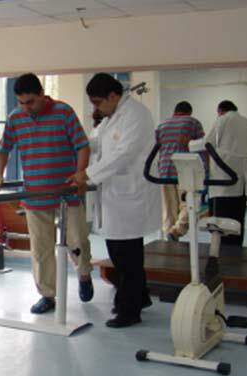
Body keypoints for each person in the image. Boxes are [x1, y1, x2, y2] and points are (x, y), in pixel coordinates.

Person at [0, 73, 93, 315]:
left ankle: (83, 273)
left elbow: (82, 146)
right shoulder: (15, 118)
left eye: (30, 102)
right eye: (21, 103)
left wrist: (80, 173)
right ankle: (47, 295)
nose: (26, 107)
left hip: (67, 191)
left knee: (78, 241)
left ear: (41, 94)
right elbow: (3, 149)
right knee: (41, 249)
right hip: (35, 193)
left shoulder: (63, 112)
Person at [69, 73, 160, 328]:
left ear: (113, 95)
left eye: (98, 102)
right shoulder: (112, 117)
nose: (96, 108)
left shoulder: (136, 115)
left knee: (126, 257)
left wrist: (87, 174)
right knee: (122, 254)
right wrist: (75, 144)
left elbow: (124, 153)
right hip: (115, 196)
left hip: (130, 196)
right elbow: (97, 143)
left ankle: (129, 311)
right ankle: (140, 297)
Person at [190, 100, 247, 246]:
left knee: (220, 222)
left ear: (220, 111)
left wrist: (189, 144)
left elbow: (207, 142)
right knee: (237, 220)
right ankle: (236, 250)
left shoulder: (223, 119)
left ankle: (222, 252)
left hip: (224, 180)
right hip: (242, 181)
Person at [156, 101, 205, 241]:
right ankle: (177, 230)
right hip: (185, 170)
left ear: (175, 111)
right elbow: (203, 146)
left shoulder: (162, 125)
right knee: (190, 204)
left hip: (164, 171)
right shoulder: (193, 122)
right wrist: (206, 170)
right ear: (189, 112)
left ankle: (169, 239)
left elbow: (156, 147)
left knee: (169, 208)